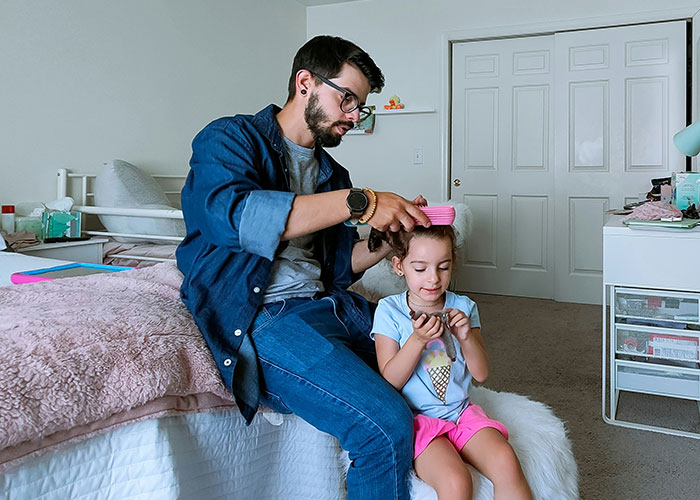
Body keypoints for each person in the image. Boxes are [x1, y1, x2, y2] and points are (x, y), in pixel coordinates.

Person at [176, 35, 431, 499]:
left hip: (330, 305)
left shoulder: (332, 174)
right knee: (384, 425)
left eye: (361, 106)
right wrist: (361, 202)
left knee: (434, 369)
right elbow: (233, 217)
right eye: (347, 99)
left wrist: (380, 246)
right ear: (305, 82)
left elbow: (332, 269)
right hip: (266, 317)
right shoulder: (230, 138)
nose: (354, 116)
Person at [372, 225, 533, 500]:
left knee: (506, 461)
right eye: (420, 269)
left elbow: (481, 374)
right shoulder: (389, 311)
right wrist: (417, 340)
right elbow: (390, 381)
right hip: (417, 421)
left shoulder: (464, 307)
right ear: (399, 266)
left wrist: (466, 336)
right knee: (456, 482)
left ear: (452, 264)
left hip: (461, 414)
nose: (433, 279)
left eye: (443, 267)